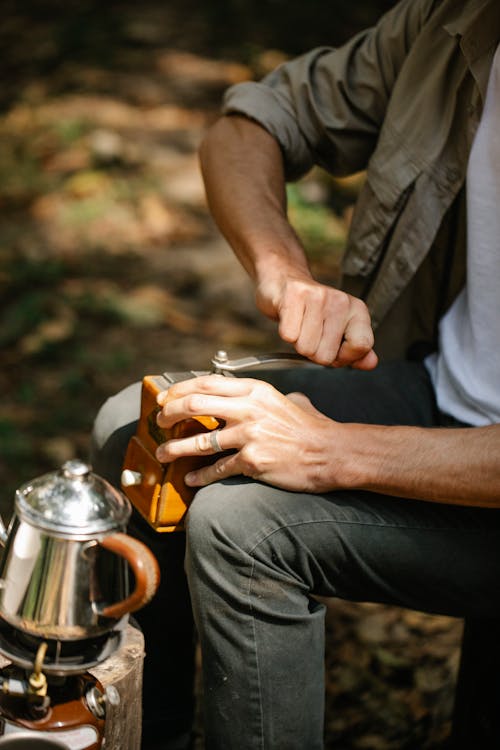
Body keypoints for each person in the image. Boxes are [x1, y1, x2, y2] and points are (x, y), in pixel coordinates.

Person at [92, 0, 500, 747]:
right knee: (144, 427)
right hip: (443, 395)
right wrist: (282, 269)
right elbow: (249, 124)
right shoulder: (459, 23)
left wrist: (335, 451)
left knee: (243, 527)